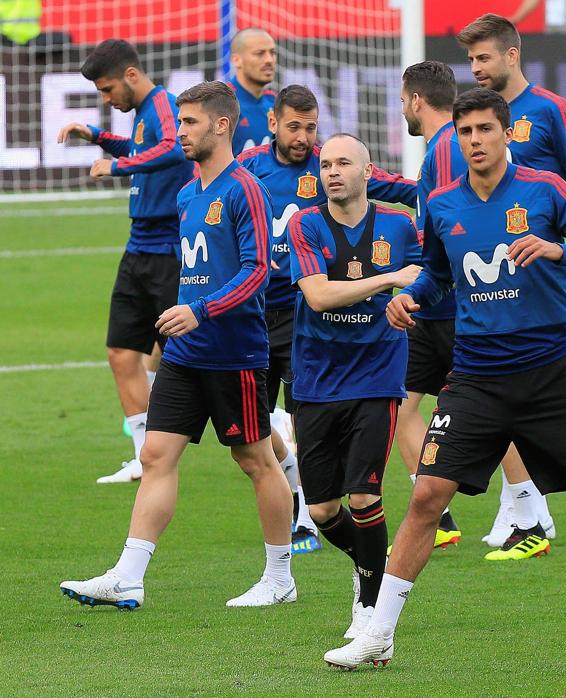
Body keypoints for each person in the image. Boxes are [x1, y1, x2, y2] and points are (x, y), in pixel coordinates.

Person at [322, 88, 566, 668]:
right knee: (425, 496)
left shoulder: (547, 190)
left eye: (484, 131)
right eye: (465, 132)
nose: (474, 141)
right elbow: (437, 277)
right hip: (475, 377)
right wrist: (409, 299)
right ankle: (378, 636)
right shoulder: (442, 204)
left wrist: (556, 250)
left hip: (549, 374)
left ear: (506, 133)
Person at [60, 81, 297, 609]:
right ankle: (129, 574)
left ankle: (280, 576)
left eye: (189, 123)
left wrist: (200, 309)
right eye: (180, 121)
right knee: (156, 453)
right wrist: (185, 311)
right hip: (186, 355)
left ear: (221, 125)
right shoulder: (189, 193)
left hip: (232, 353)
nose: (180, 131)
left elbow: (259, 272)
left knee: (255, 459)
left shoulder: (245, 189)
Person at [237, 84, 418, 552]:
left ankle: (326, 532)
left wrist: (440, 191)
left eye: (310, 127)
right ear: (272, 124)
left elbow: (403, 191)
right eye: (293, 126)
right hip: (258, 313)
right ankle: (308, 500)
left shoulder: (339, 166)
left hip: (326, 331)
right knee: (252, 430)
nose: (303, 137)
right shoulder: (250, 170)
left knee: (311, 425)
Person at [460, 12, 566, 545]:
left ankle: (532, 502)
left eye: (483, 57)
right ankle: (522, 502)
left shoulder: (550, 110)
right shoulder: (475, 118)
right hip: (482, 274)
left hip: (536, 270)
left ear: (512, 55)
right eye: (471, 59)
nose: (475, 68)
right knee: (493, 379)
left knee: (528, 379)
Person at [288, 133, 422, 639]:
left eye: (344, 162)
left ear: (369, 172)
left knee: (364, 498)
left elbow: (429, 276)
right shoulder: (305, 224)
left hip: (377, 375)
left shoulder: (399, 224)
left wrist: (416, 295)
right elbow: (319, 296)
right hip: (318, 378)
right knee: (323, 510)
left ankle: (368, 609)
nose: (332, 172)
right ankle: (375, 562)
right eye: (325, 164)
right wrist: (389, 280)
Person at [56, 39, 193, 484]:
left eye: (107, 88)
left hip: (170, 250)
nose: (106, 98)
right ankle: (143, 456)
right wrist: (96, 136)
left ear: (131, 76)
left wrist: (116, 168)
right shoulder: (142, 114)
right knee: (120, 352)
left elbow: (174, 148)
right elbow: (142, 148)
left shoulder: (165, 104)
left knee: (189, 360)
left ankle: (269, 423)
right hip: (138, 247)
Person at [394, 60, 469, 551]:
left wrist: (420, 283)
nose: (403, 109)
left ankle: (527, 512)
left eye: (404, 100)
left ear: (416, 100)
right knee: (402, 406)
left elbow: (448, 225)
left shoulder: (444, 149)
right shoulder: (446, 148)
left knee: (490, 410)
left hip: (444, 303)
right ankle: (439, 516)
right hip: (445, 301)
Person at [228, 27, 277, 154]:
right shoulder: (220, 103)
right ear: (236, 60)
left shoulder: (275, 103)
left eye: (272, 53)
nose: (269, 60)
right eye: (260, 53)